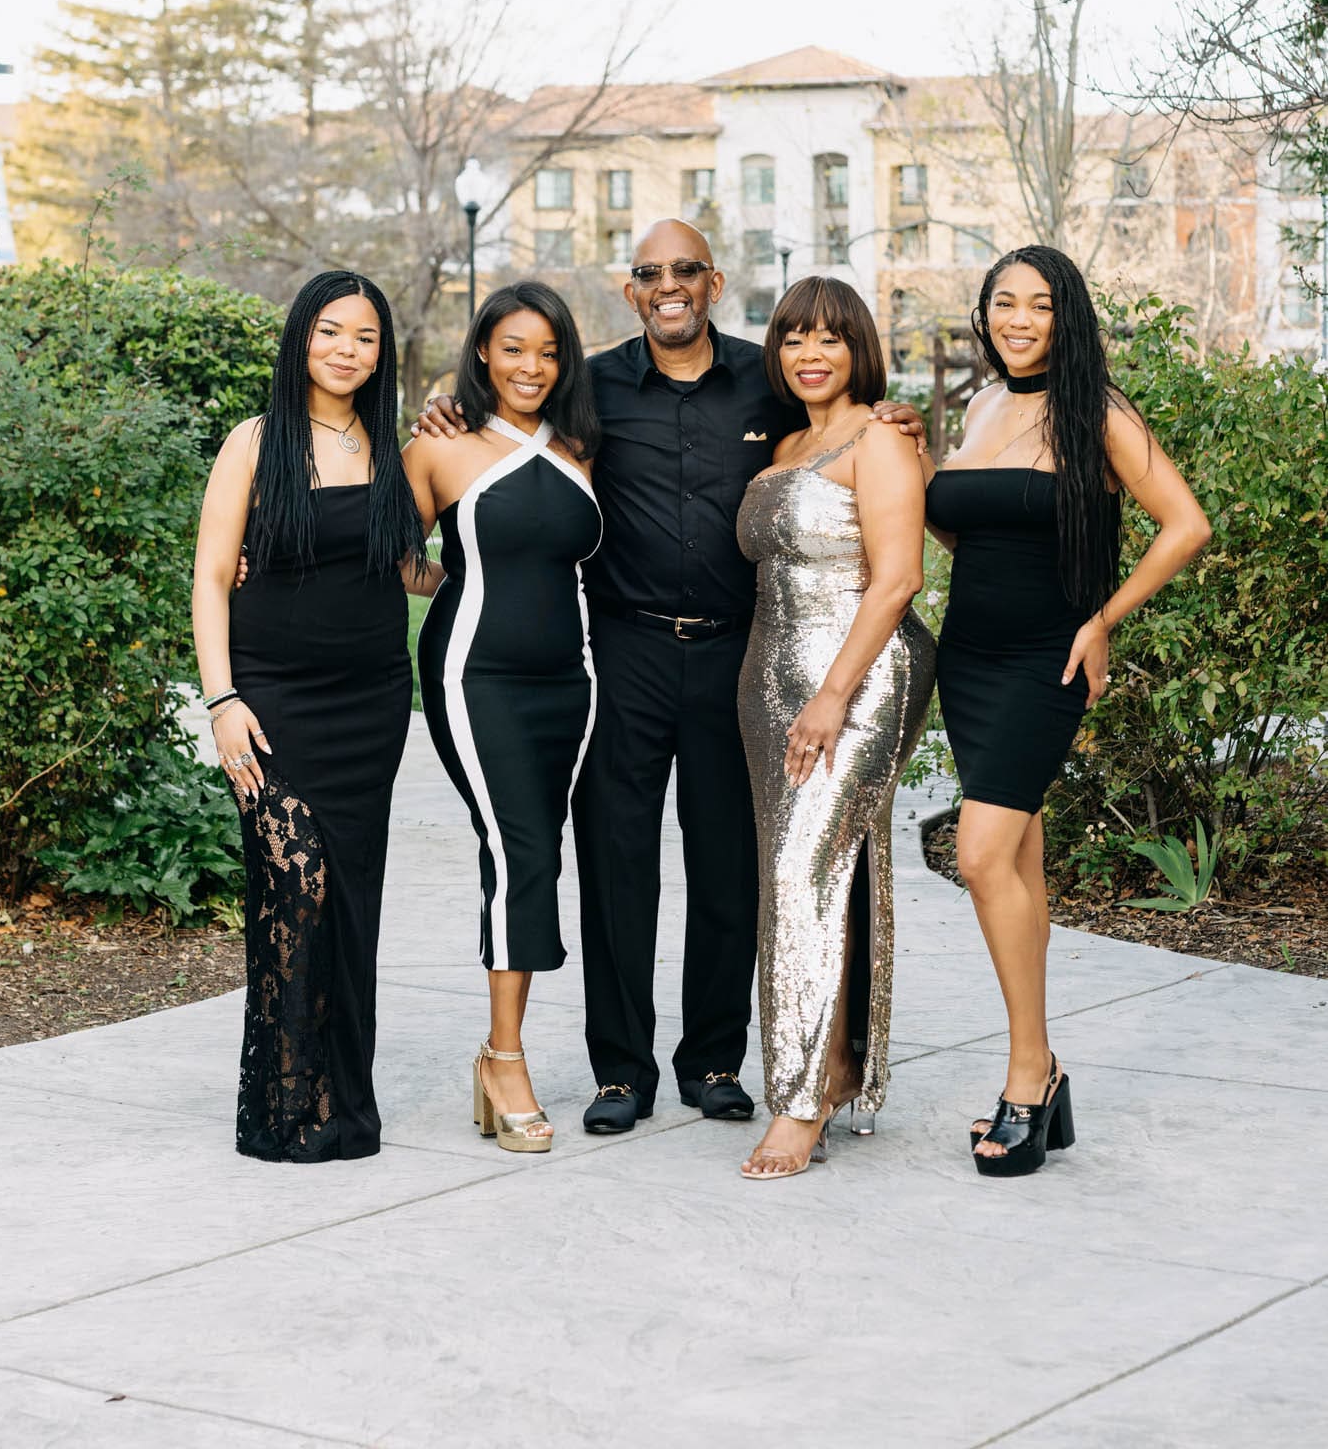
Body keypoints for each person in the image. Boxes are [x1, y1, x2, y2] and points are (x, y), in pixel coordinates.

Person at [416, 220, 927, 1135]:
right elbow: (509, 424)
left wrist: (899, 422)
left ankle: (715, 1061)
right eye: (650, 272)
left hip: (742, 654)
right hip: (622, 651)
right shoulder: (590, 388)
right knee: (616, 859)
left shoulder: (768, 380)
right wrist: (444, 407)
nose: (669, 285)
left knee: (729, 859)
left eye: (686, 269)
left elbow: (837, 428)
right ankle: (621, 1070)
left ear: (714, 282)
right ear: (631, 291)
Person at [924, 246, 1211, 1178]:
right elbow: (965, 526)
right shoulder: (980, 404)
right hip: (968, 658)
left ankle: (1028, 1074)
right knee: (1017, 860)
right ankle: (1041, 1073)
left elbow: (1186, 524)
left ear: (1067, 317)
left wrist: (1102, 620)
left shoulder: (1098, 410)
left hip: (1045, 661)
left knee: (979, 855)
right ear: (985, 314)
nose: (1019, 320)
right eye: (1004, 302)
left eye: (1040, 305)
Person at [192, 271, 428, 1162]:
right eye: (330, 330)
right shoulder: (255, 441)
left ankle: (344, 1107)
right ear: (301, 336)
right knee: (295, 892)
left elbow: (406, 569)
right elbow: (211, 578)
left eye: (365, 337)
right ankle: (287, 1106)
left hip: (372, 703)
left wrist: (500, 564)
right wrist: (222, 700)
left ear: (381, 353)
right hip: (272, 704)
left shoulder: (390, 448)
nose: (346, 350)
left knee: (351, 904)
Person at [735, 278, 936, 1180]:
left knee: (800, 871)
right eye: (792, 339)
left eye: (829, 339)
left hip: (857, 677)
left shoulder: (880, 439)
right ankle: (837, 1066)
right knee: (813, 876)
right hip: (767, 678)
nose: (809, 355)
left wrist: (830, 696)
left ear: (859, 350)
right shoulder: (786, 445)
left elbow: (898, 581)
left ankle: (799, 1100)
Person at [405, 282, 601, 1154]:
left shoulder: (580, 446)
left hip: (571, 681)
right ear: (482, 350)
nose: (531, 367)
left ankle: (498, 1053)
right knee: (521, 850)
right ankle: (507, 1058)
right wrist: (452, 583)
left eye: (549, 352)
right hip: (474, 675)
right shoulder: (440, 444)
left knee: (534, 851)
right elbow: (385, 552)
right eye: (514, 348)